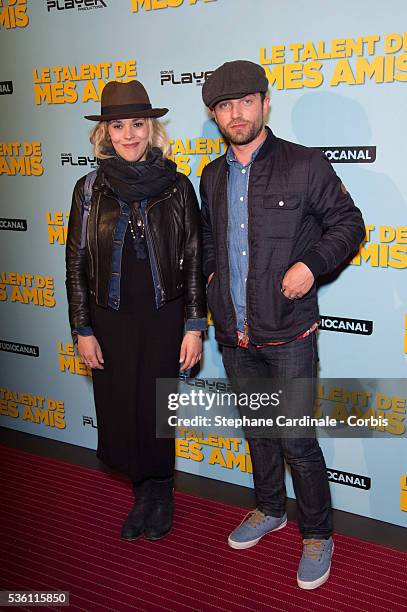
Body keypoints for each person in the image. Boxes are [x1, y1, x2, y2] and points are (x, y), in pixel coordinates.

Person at [200, 60, 365, 589]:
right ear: (215, 116)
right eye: (224, 106)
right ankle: (269, 509)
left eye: (245, 101)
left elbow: (350, 223)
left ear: (265, 103)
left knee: (295, 438)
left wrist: (310, 264)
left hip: (290, 330)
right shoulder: (211, 175)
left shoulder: (304, 165)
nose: (235, 113)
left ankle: (317, 533)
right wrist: (209, 284)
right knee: (259, 433)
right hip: (235, 333)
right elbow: (209, 242)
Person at [66, 80, 206, 542]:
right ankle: (141, 493)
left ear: (152, 128)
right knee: (122, 410)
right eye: (119, 125)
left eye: (138, 124)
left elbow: (193, 260)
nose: (129, 134)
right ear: (105, 132)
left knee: (157, 410)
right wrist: (82, 328)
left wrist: (193, 326)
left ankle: (161, 492)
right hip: (110, 318)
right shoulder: (88, 190)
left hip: (164, 317)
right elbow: (76, 264)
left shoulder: (179, 187)